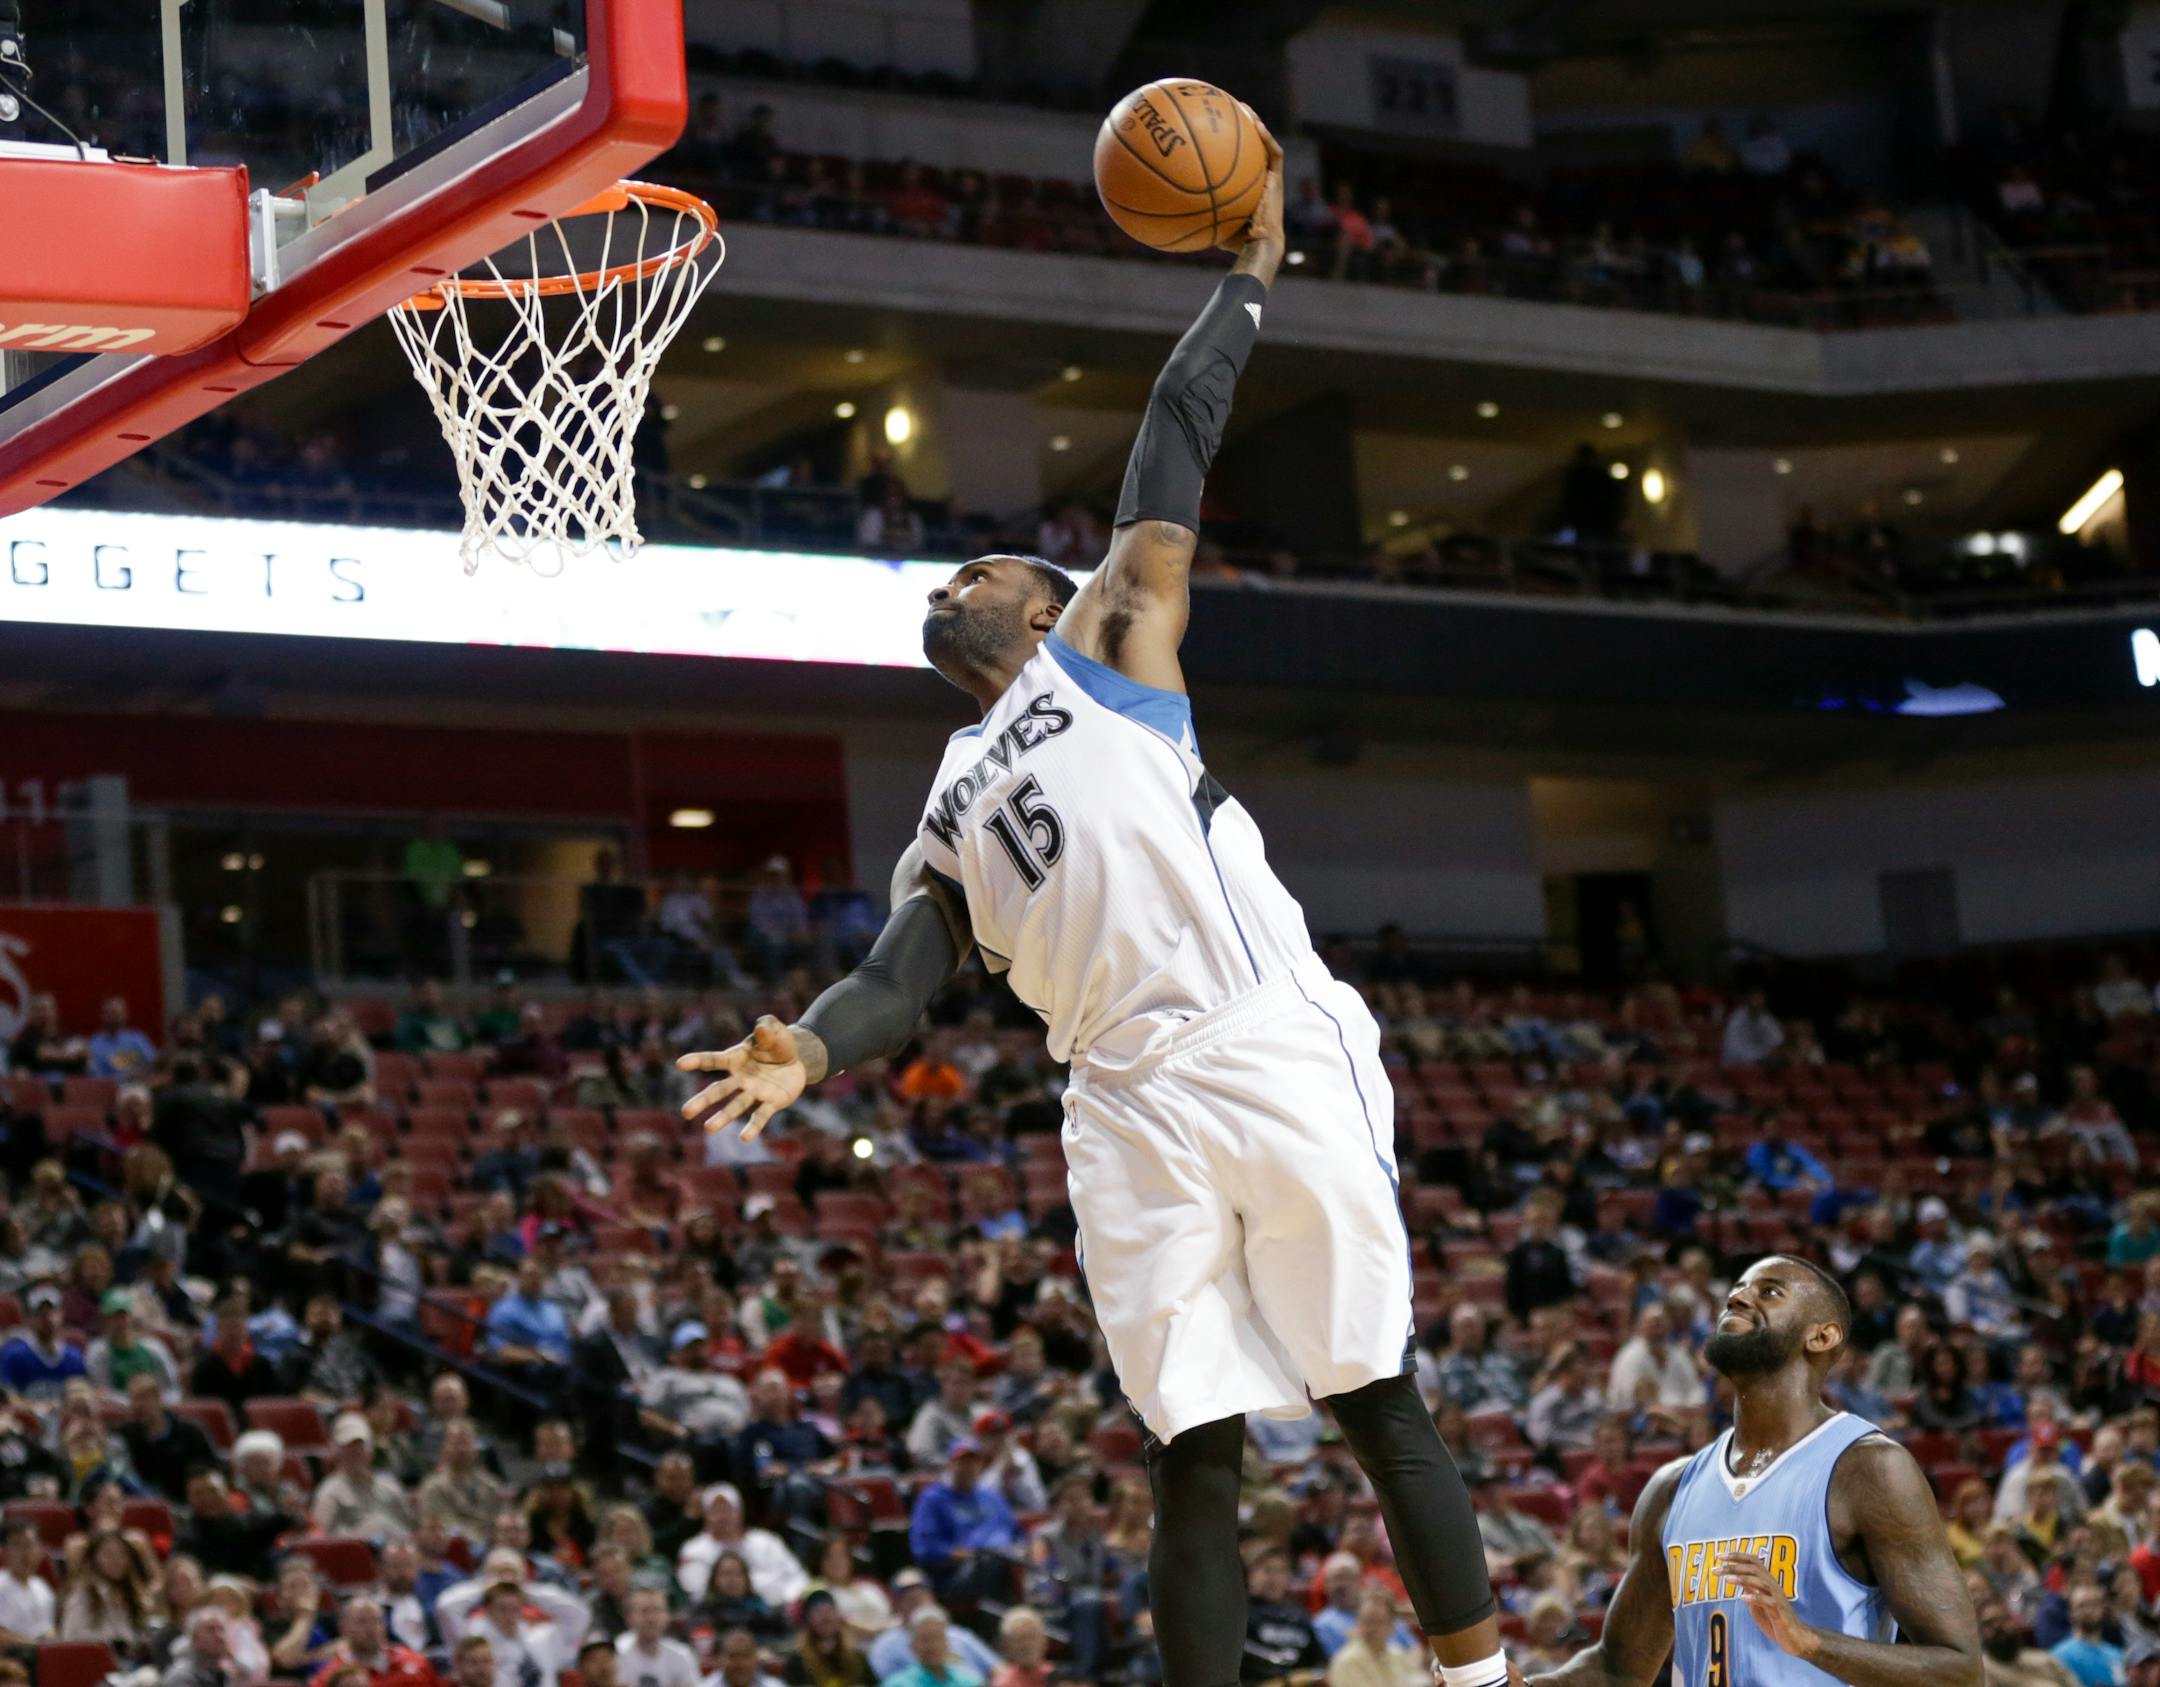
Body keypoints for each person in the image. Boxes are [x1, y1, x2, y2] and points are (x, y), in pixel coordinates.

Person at [677, 113, 1507, 1687]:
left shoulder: (1112, 649)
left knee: (1366, 1389)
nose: (951, 583)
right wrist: (809, 1049)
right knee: (1189, 1444)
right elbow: (897, 975)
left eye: (976, 570)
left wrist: (1251, 279)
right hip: (1120, 1096)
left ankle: (1480, 1680)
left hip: (1258, 1036)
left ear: (1046, 605)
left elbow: (1171, 434)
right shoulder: (942, 801)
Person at [1529, 1256, 1981, 1687]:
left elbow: (1959, 1673)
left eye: (1769, 1291)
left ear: (1821, 1337)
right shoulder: (1671, 1490)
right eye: (1737, 1289)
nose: (1739, 1297)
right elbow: (1618, 1671)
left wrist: (1809, 1642)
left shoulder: (1869, 1470)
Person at [308, 1594, 443, 1687]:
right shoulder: (331, 1677)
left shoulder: (415, 1661)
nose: (371, 1628)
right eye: (362, 1621)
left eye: (376, 1621)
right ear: (343, 1628)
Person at [1329, 1584, 1428, 1687]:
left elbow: (1418, 1680)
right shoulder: (1346, 1662)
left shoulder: (1397, 1655)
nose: (1371, 1628)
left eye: (1378, 1622)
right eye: (1366, 1621)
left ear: (1391, 1626)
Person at [612, 1587, 697, 1687]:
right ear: (629, 1618)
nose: (651, 1618)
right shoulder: (617, 1654)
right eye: (644, 1611)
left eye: (657, 1610)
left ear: (667, 1616)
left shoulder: (682, 1655)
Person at [0, 1519, 54, 1645]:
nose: (25, 1552)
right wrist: (34, 1645)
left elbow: (48, 1629)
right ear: (4, 1551)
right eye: (17, 1545)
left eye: (30, 1545)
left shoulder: (42, 1587)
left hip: (40, 1654)